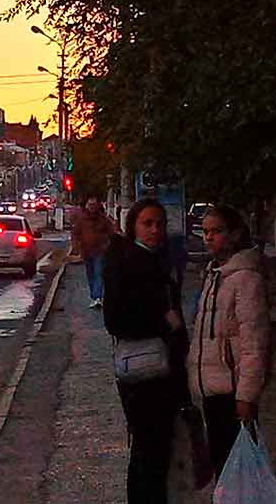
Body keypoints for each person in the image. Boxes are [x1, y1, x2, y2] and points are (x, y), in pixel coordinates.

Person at [104, 198, 190, 504]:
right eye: (147, 223)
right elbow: (114, 319)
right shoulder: (127, 262)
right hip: (144, 374)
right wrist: (164, 322)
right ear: (133, 226)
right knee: (148, 451)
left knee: (156, 451)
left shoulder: (158, 259)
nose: (155, 230)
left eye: (160, 224)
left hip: (163, 370)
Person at [187, 204, 270, 478]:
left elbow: (254, 342)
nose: (208, 237)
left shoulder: (245, 278)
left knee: (238, 476)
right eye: (206, 231)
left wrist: (246, 395)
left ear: (234, 234)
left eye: (217, 231)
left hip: (233, 392)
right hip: (212, 390)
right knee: (224, 471)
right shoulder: (214, 275)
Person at [72, 195, 115, 308]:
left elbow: (112, 233)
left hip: (100, 252)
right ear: (87, 206)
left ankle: (97, 297)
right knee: (90, 274)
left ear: (97, 206)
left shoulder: (103, 219)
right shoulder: (82, 219)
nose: (92, 207)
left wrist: (107, 246)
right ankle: (94, 297)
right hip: (86, 251)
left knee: (98, 273)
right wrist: (76, 247)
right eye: (90, 205)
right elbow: (76, 234)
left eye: (94, 205)